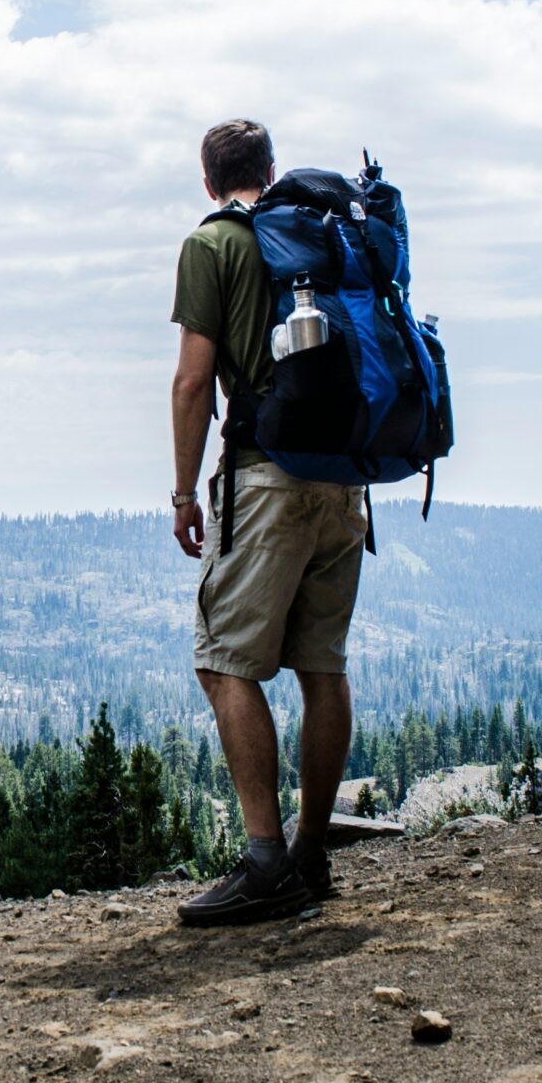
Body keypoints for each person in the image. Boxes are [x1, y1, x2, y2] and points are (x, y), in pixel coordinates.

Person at [167, 118, 366, 926]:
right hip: (345, 480)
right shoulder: (320, 237)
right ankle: (311, 854)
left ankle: (265, 863)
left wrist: (184, 494)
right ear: (271, 169)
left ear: (209, 180)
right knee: (323, 665)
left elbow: (193, 382)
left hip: (265, 477)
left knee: (223, 664)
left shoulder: (212, 244)